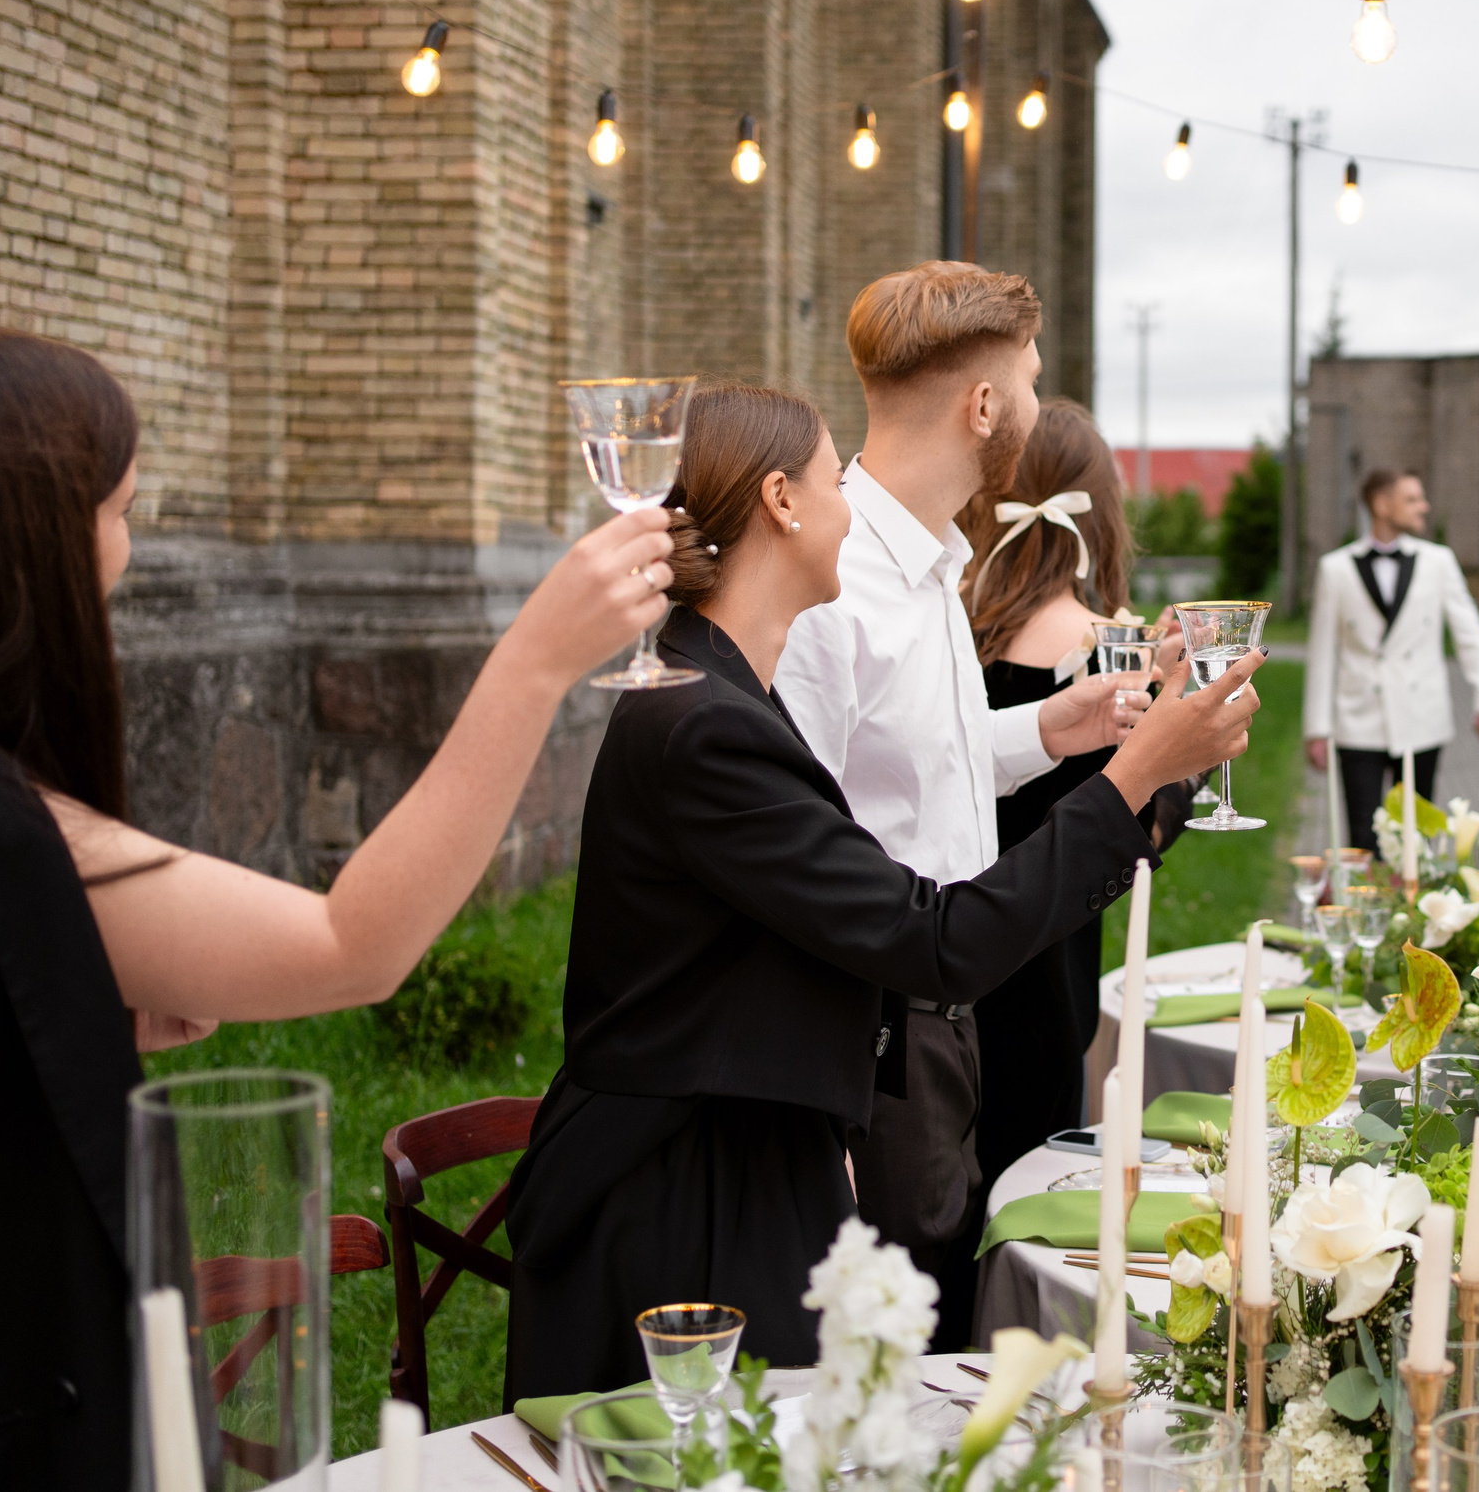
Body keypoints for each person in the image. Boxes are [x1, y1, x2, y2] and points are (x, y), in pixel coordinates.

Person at [0, 326, 674, 1489]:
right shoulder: (4, 828)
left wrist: (61, 1004)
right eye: (122, 509)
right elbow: (355, 945)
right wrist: (534, 660)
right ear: (33, 543)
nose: (130, 552)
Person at [504, 382, 1256, 1395]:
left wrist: (1064, 731)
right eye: (832, 479)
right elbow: (934, 939)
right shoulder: (706, 724)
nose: (851, 504)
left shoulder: (724, 689)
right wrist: (1133, 779)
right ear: (782, 501)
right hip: (675, 1197)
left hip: (750, 1147)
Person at [771, 262, 1144, 1351]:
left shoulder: (935, 561)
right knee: (895, 1332)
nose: (1037, 404)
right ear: (982, 406)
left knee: (943, 1286)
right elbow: (794, 831)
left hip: (951, 1001)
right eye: (1027, 380)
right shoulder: (834, 582)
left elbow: (924, 762)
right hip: (874, 1026)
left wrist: (1058, 726)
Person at [960, 398, 1191, 1192]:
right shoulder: (1107, 650)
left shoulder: (954, 630)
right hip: (1043, 977)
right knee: (1024, 1189)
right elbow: (1136, 839)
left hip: (938, 957)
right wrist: (1182, 760)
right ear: (1103, 513)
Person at [1304, 468, 1479, 854]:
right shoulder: (1336, 568)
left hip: (1421, 717)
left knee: (1415, 836)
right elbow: (1322, 654)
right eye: (1413, 499)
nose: (1424, 507)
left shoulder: (1438, 562)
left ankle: (1412, 912)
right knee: (1362, 838)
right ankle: (1364, 911)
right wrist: (1317, 728)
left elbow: (1471, 635)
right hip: (1358, 719)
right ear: (1382, 505)